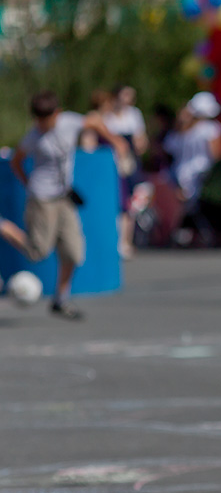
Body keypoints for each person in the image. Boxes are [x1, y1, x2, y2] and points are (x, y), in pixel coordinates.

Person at [0, 90, 129, 320]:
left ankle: (60, 300)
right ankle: (3, 226)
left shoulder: (69, 122)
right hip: (42, 199)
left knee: (73, 252)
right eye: (39, 118)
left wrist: (115, 140)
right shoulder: (33, 137)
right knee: (37, 252)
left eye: (46, 117)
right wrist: (29, 184)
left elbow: (94, 121)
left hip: (64, 197)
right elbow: (16, 161)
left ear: (56, 113)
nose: (42, 123)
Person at [164, 92, 221, 247]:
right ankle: (202, 232)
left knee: (189, 206)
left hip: (182, 173)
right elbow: (216, 153)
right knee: (199, 206)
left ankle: (182, 233)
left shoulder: (185, 130)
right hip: (202, 173)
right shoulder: (211, 128)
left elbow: (170, 149)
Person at [105, 84, 149, 258]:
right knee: (114, 201)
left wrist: (139, 146)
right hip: (111, 162)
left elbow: (140, 140)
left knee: (129, 202)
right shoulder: (107, 116)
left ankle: (125, 241)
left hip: (128, 162)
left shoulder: (134, 114)